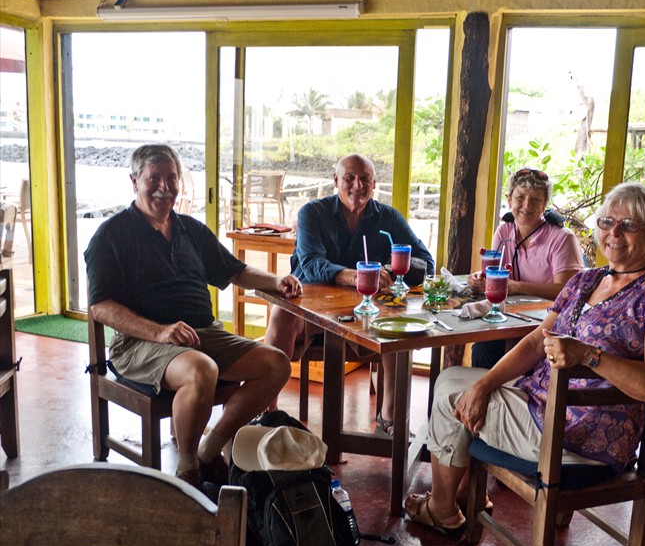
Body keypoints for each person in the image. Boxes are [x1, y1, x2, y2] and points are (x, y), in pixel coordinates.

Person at [404, 182, 645, 532]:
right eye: (607, 222)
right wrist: (484, 385)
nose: (614, 232)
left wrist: (589, 355)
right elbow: (534, 344)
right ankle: (462, 495)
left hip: (579, 434)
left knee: (449, 394)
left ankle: (442, 510)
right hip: (541, 405)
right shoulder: (587, 280)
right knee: (457, 381)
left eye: (629, 225)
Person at [85, 144, 302, 494]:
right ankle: (187, 470)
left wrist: (275, 281)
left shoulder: (190, 230)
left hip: (201, 334)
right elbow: (100, 307)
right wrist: (160, 331)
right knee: (202, 370)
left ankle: (209, 449)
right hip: (140, 343)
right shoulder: (111, 235)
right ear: (134, 181)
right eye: (153, 178)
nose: (164, 186)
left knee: (276, 364)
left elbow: (235, 270)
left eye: (171, 178)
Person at [264, 153, 434, 436]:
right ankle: (266, 411)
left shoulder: (387, 218)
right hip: (312, 313)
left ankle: (389, 420)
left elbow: (424, 262)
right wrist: (358, 275)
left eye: (365, 179)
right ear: (336, 181)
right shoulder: (312, 213)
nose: (357, 185)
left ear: (374, 183)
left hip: (366, 315)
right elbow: (310, 263)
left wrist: (391, 268)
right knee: (282, 312)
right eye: (349, 178)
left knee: (397, 324)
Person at [467, 167, 584, 369]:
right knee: (482, 349)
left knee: (502, 352)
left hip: (548, 325)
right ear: (509, 199)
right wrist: (480, 278)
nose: (526, 205)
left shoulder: (562, 238)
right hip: (510, 321)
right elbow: (496, 275)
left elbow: (567, 292)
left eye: (536, 200)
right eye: (520, 197)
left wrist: (518, 286)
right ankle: (487, 398)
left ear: (545, 204)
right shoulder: (504, 230)